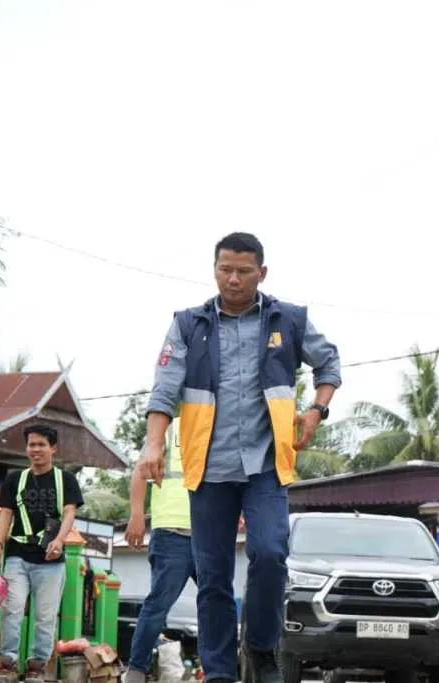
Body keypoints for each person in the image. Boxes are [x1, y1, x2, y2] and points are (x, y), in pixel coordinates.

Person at [137, 232, 341, 683]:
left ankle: (263, 647)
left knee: (269, 554)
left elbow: (329, 364)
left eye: (243, 271)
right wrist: (153, 443)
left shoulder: (287, 319)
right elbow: (165, 386)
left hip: (266, 467)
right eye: (225, 269)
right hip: (208, 470)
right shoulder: (189, 324)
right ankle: (219, 671)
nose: (233, 279)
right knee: (212, 578)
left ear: (261, 273)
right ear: (214, 270)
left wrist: (316, 410)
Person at [0, 424, 85, 683]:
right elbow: (6, 514)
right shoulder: (14, 479)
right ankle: (7, 663)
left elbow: (69, 512)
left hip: (50, 559)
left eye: (41, 444)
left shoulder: (65, 479)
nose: (36, 449)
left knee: (45, 616)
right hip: (17, 555)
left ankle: (37, 666)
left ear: (53, 448)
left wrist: (60, 540)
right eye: (31, 444)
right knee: (12, 609)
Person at [123, 415, 197, 683]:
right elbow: (141, 471)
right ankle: (136, 671)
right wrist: (136, 514)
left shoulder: (218, 425)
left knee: (217, 604)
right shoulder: (167, 429)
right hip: (171, 533)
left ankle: (218, 671)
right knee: (158, 605)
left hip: (210, 534)